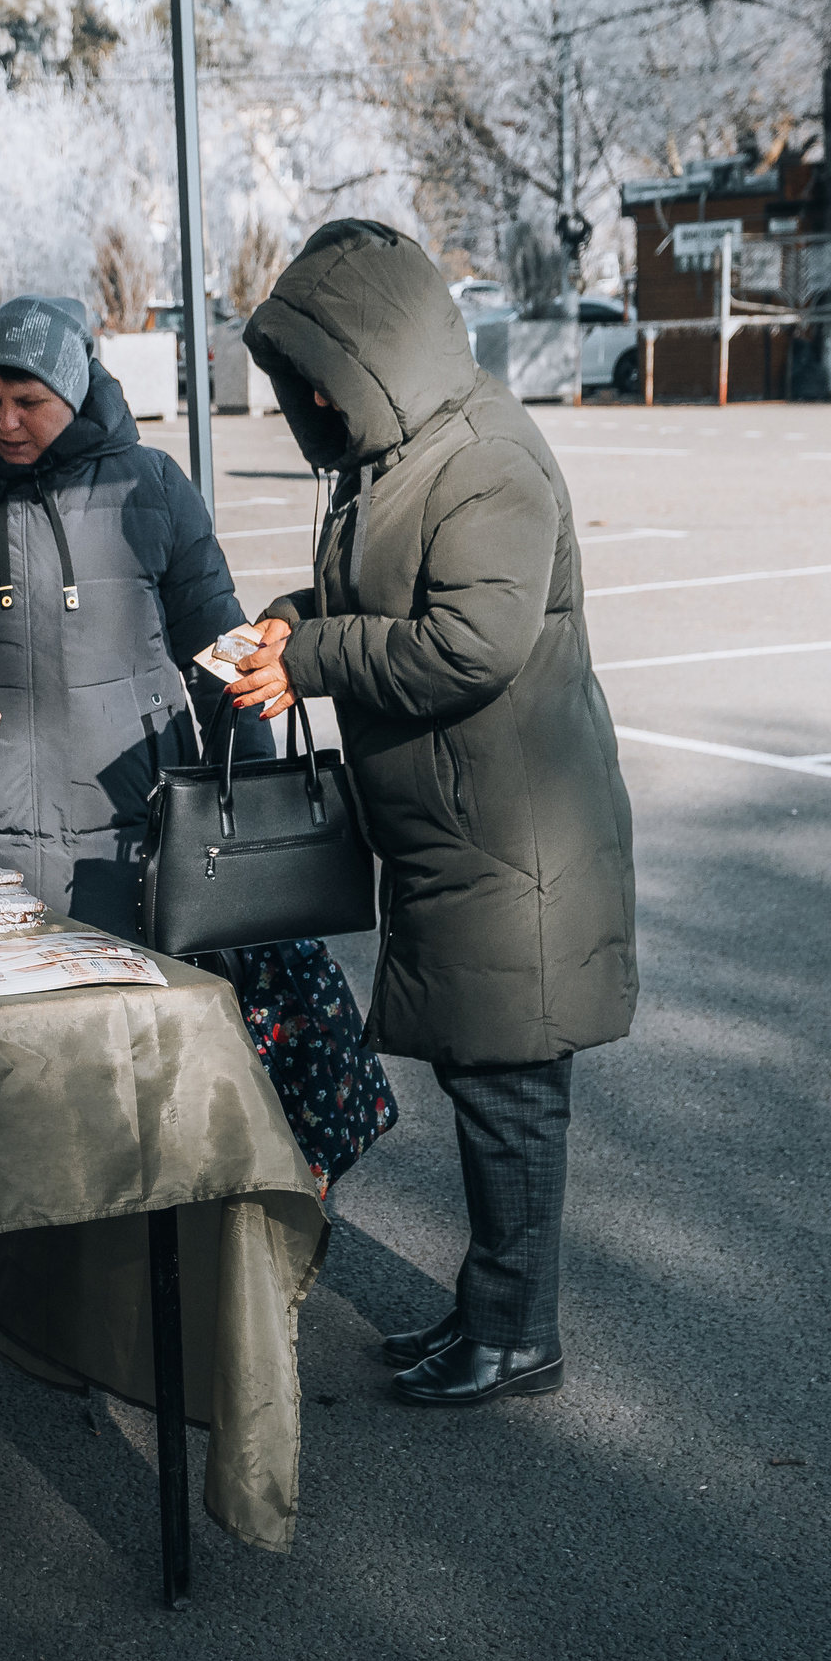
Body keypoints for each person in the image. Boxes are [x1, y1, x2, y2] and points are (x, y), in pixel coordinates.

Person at [227, 220, 637, 1408]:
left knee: (509, 1091)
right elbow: (379, 596)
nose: (303, 401)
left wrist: (310, 659)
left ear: (367, 354)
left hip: (521, 841)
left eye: (313, 376)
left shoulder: (486, 460)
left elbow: (471, 644)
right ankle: (491, 1314)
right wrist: (289, 616)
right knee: (483, 1076)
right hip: (465, 833)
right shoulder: (397, 453)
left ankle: (516, 1335)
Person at [0, 294, 265, 932]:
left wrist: (251, 794)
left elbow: (223, 648)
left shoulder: (154, 485)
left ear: (74, 391)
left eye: (28, 403)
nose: (5, 423)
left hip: (135, 840)